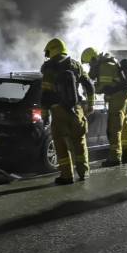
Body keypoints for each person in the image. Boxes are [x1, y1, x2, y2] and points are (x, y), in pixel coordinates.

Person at [40, 38, 95, 185]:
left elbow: (45, 95)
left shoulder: (49, 68)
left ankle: (67, 176)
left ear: (52, 50)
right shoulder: (76, 65)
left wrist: (44, 115)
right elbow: (89, 85)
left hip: (58, 110)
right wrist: (90, 104)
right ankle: (84, 173)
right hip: (77, 109)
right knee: (79, 141)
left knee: (61, 143)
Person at [80, 47, 127, 166]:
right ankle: (126, 155)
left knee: (114, 129)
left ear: (93, 59)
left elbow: (102, 87)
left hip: (117, 100)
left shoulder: (105, 66)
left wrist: (89, 91)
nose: (90, 66)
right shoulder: (109, 62)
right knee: (124, 128)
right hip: (123, 98)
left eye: (89, 63)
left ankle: (115, 158)